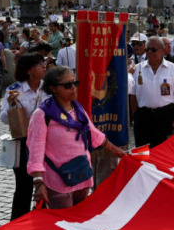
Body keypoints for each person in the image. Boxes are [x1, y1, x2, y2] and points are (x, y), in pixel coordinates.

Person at [28, 66, 125, 209]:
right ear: (53, 88)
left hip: (82, 177)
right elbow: (36, 150)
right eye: (67, 85)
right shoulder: (42, 115)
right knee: (64, 224)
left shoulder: (78, 110)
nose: (73, 88)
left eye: (75, 83)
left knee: (80, 220)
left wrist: (115, 149)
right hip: (58, 181)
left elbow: (94, 133)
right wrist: (38, 183)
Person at [0, 54, 47, 220]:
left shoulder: (48, 88)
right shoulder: (15, 89)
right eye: (40, 64)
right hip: (24, 142)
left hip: (47, 142)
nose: (44, 67)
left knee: (48, 181)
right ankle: (19, 220)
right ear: (29, 70)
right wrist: (11, 106)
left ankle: (44, 216)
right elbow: (3, 118)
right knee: (24, 185)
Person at [131, 36, 174, 148]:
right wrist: (137, 114)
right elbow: (133, 95)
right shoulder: (137, 69)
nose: (150, 52)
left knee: (164, 152)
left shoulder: (173, 69)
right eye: (147, 49)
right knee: (143, 152)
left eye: (153, 49)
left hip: (165, 116)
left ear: (162, 50)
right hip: (144, 117)